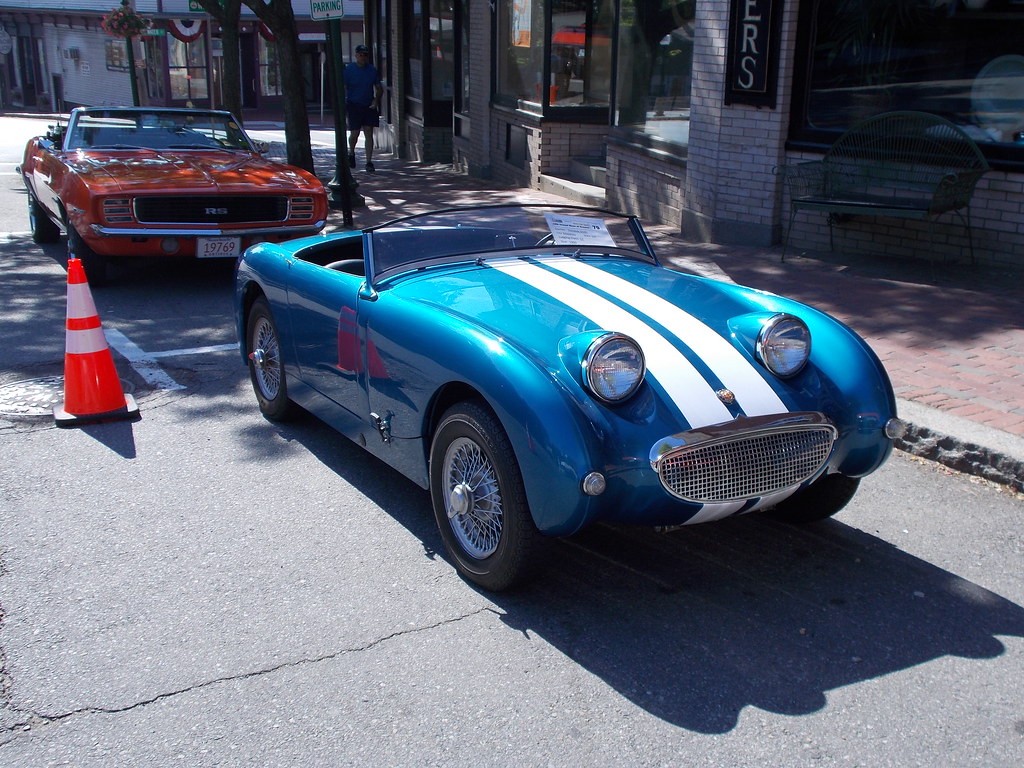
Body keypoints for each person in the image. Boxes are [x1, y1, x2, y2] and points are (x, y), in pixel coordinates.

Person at [343, 44, 383, 173]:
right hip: (354, 104)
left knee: (368, 132)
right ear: (356, 55)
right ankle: (351, 153)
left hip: (368, 105)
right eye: (360, 54)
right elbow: (344, 87)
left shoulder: (372, 70)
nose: (363, 57)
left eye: (365, 55)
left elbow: (379, 88)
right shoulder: (349, 70)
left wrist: (376, 100)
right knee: (354, 133)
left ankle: (369, 161)